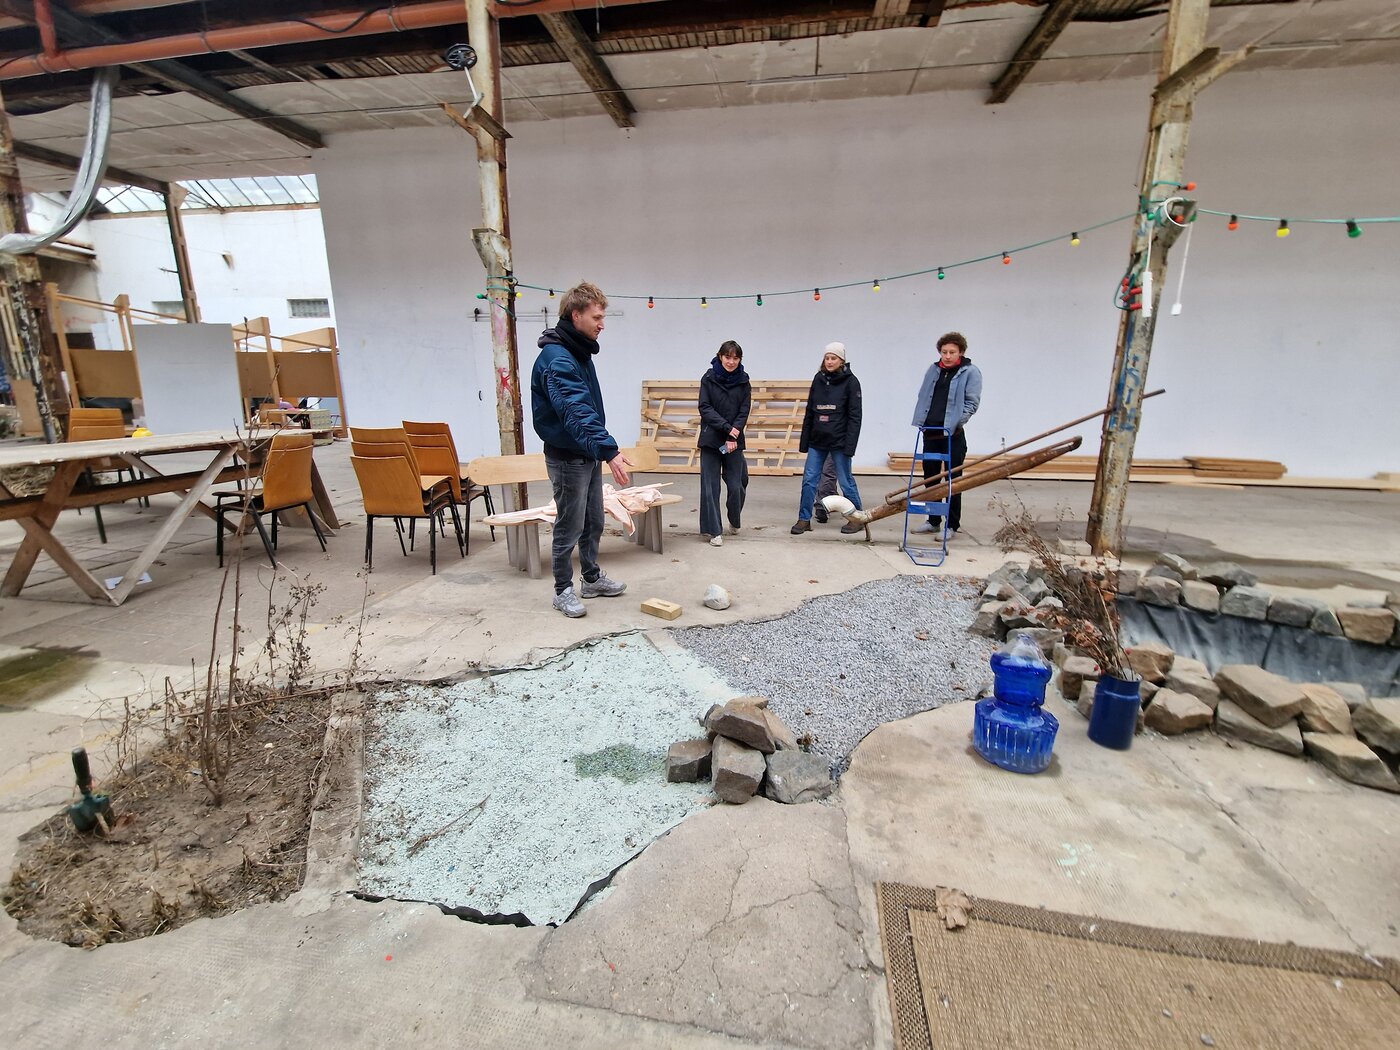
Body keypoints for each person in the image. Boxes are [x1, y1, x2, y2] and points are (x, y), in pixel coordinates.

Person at [530, 281, 633, 618]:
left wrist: (600, 450)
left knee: (593, 521)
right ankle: (562, 590)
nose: (602, 324)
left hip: (586, 453)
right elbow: (576, 411)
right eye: (597, 317)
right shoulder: (557, 358)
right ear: (576, 315)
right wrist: (610, 450)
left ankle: (591, 579)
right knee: (569, 525)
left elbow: (584, 409)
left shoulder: (577, 351)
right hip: (568, 458)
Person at [909, 331, 982, 537]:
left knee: (953, 480)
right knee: (930, 479)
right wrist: (922, 421)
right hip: (930, 432)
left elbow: (971, 402)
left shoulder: (970, 372)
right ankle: (933, 520)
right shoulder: (933, 370)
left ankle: (951, 525)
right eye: (944, 352)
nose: (947, 356)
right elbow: (923, 395)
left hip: (952, 434)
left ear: (961, 352)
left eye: (952, 352)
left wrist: (957, 421)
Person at [792, 341, 863, 536]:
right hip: (817, 440)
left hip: (840, 441)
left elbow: (855, 417)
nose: (830, 361)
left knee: (846, 481)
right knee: (809, 480)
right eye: (827, 358)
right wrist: (805, 441)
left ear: (842, 360)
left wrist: (850, 446)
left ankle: (858, 519)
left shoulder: (851, 382)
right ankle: (804, 519)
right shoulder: (818, 379)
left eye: (834, 358)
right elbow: (809, 411)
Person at [696, 340, 751, 547]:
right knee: (710, 488)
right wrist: (727, 428)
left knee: (738, 486)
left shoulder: (744, 381)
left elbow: (744, 409)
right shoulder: (708, 378)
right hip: (712, 439)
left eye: (735, 358)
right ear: (720, 356)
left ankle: (734, 519)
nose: (731, 362)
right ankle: (714, 531)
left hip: (734, 440)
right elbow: (705, 407)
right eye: (727, 357)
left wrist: (733, 434)